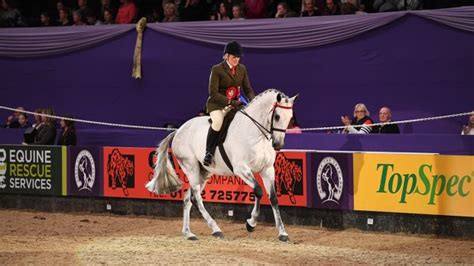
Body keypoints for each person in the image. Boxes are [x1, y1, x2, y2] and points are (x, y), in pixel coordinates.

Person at [203, 40, 256, 166]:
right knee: (218, 122)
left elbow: (247, 89)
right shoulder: (217, 69)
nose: (236, 60)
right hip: (217, 104)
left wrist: (253, 101)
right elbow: (213, 93)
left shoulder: (242, 69)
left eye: (238, 57)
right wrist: (230, 101)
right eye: (234, 57)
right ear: (226, 56)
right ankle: (209, 153)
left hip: (235, 104)